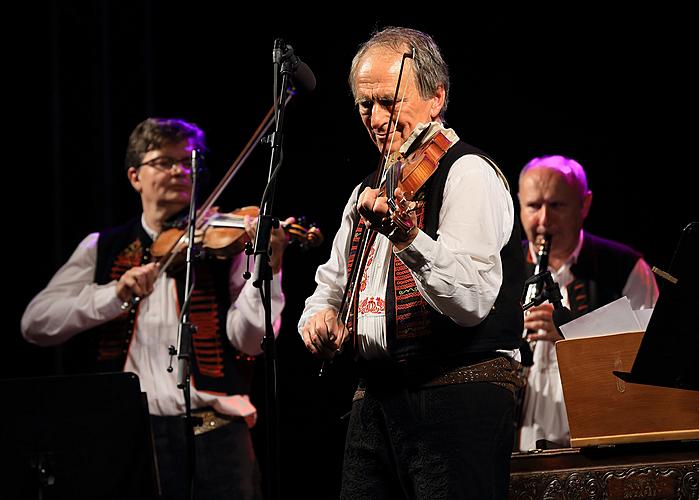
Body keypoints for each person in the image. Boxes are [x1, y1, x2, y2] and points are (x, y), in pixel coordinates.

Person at [298, 27, 526, 499]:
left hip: (457, 393)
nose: (376, 119)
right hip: (375, 400)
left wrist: (405, 235)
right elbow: (330, 285)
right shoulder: (367, 190)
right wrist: (318, 318)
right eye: (365, 105)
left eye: (389, 102)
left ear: (436, 98)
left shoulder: (467, 172)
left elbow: (470, 300)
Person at [21, 117, 290, 500]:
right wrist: (113, 293)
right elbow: (35, 323)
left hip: (216, 436)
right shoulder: (102, 247)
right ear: (135, 176)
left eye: (190, 162)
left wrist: (270, 267)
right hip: (128, 436)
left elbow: (250, 341)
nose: (181, 171)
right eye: (165, 161)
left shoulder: (223, 240)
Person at [516, 154, 659, 451]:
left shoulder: (625, 268)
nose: (543, 220)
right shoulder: (504, 268)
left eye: (556, 205)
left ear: (584, 205)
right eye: (533, 206)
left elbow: (652, 359)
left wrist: (572, 340)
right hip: (520, 432)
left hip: (602, 435)